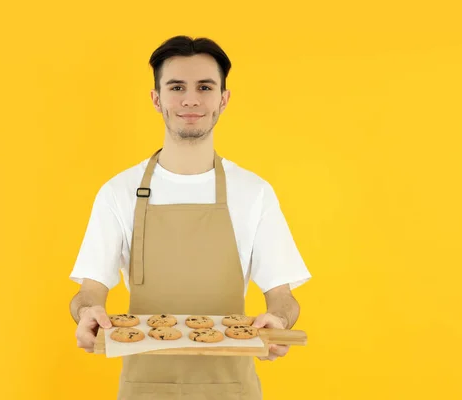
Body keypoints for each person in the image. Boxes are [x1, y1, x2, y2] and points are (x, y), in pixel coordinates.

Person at [69, 35, 312, 399]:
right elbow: (89, 292)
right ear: (157, 98)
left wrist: (277, 321)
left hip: (231, 387)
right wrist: (89, 314)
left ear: (223, 99)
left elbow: (283, 297)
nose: (191, 99)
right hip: (144, 387)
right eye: (177, 86)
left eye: (205, 86)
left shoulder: (253, 192)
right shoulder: (118, 192)